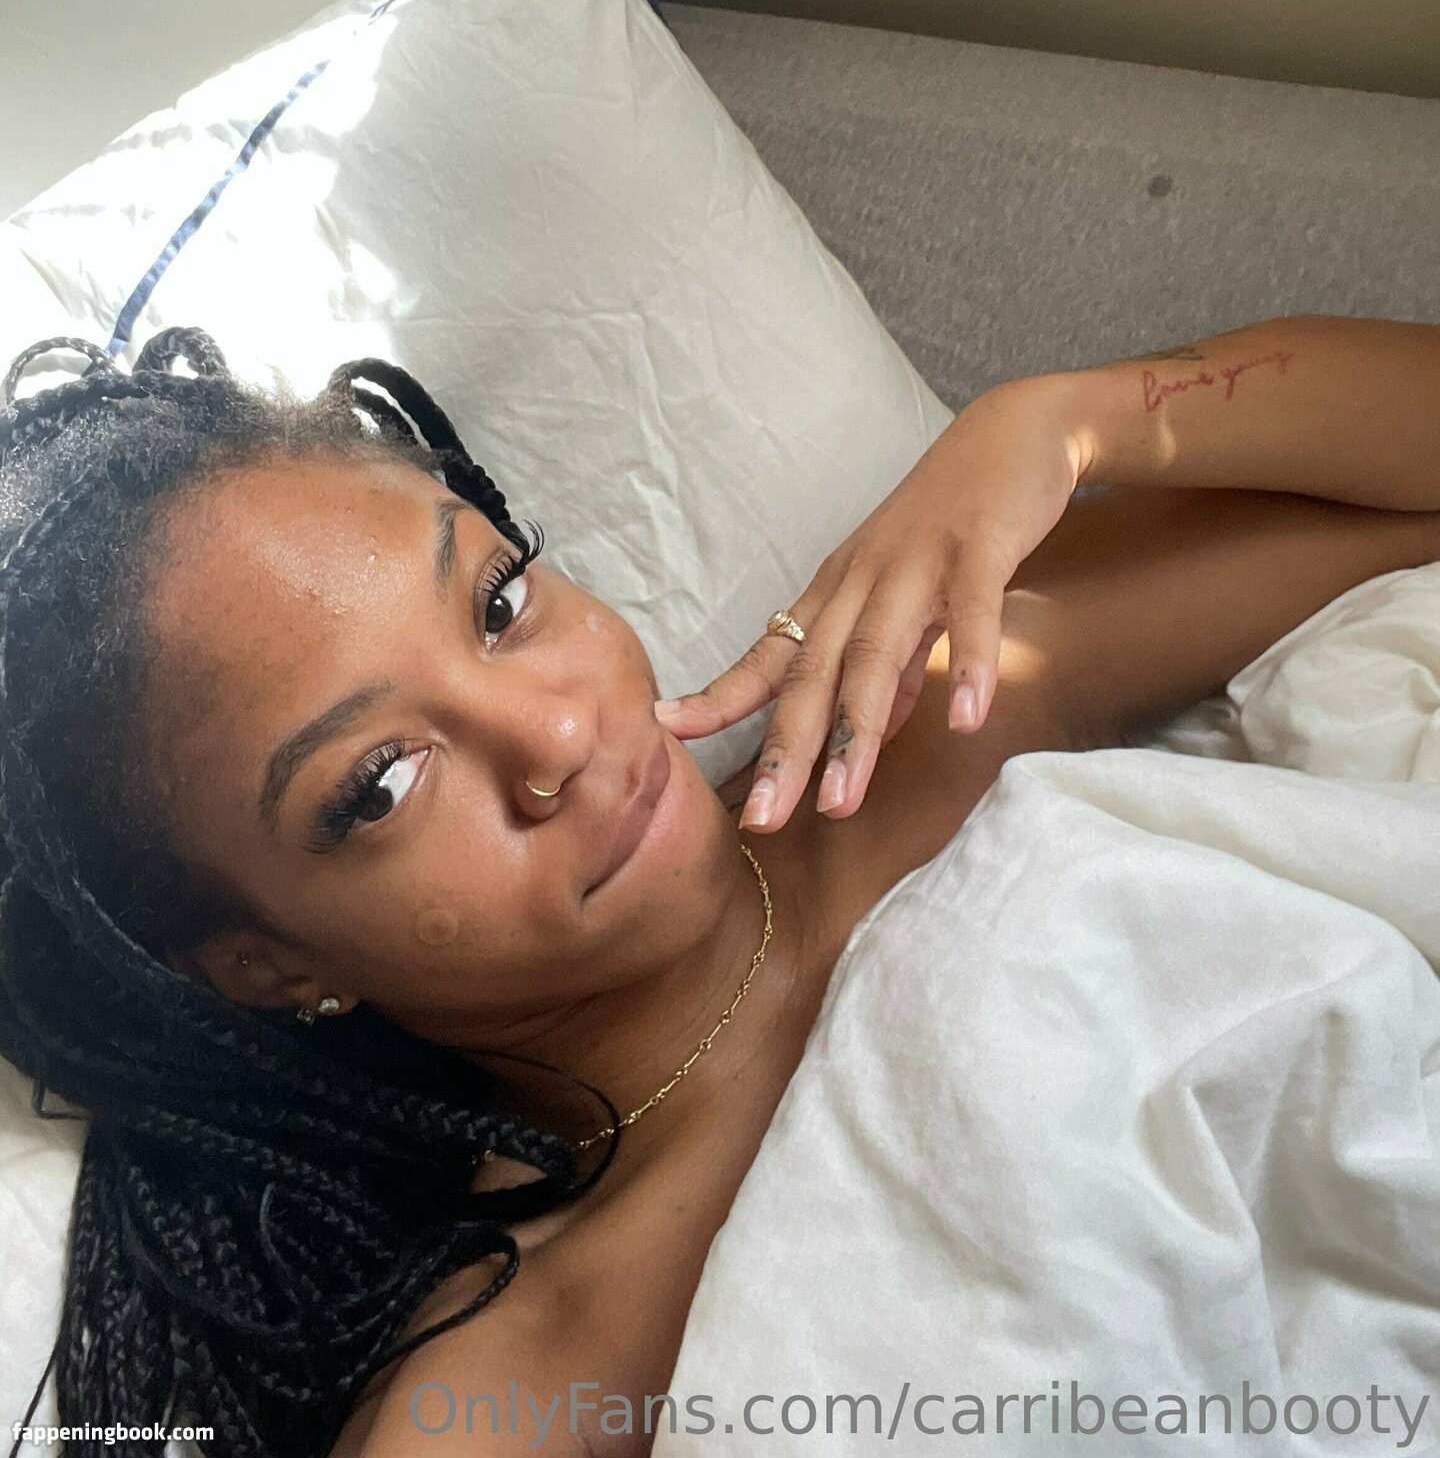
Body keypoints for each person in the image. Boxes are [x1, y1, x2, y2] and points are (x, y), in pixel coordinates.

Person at [1, 313, 1437, 1458]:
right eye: (378, 785)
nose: (560, 734)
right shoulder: (521, 1385)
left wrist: (1061, 422)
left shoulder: (925, 717)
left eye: (500, 602)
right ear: (266, 965)